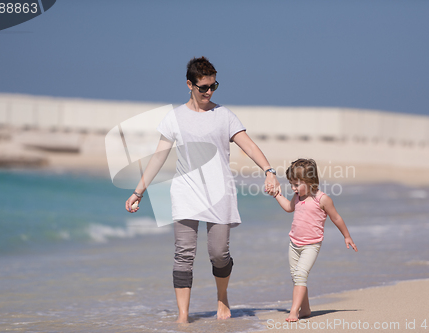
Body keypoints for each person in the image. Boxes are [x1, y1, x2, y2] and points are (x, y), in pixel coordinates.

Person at [125, 56, 280, 323]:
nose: (209, 91)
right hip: (185, 192)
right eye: (203, 87)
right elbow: (158, 157)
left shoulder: (225, 116)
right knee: (184, 254)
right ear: (189, 84)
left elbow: (250, 146)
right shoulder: (174, 118)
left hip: (219, 194)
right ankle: (183, 316)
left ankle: (222, 298)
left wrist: (270, 171)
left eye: (213, 86)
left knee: (219, 254)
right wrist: (138, 191)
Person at [274, 158, 358, 322]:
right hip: (294, 244)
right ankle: (305, 310)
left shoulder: (323, 199)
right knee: (296, 276)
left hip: (311, 245)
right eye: (291, 184)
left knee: (300, 275)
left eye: (296, 184)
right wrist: (277, 195)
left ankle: (294, 311)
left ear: (310, 181)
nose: (293, 188)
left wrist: (347, 236)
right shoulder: (298, 196)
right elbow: (288, 208)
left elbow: (336, 218)